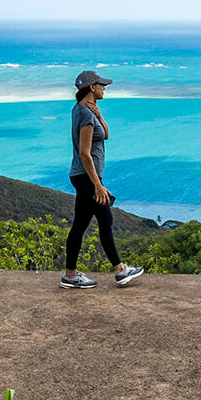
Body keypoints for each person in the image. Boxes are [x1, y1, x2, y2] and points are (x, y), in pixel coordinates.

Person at [60, 70, 145, 289]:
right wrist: (98, 185)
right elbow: (84, 153)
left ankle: (70, 275)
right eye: (101, 85)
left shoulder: (82, 111)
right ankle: (119, 270)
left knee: (80, 226)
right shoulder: (85, 115)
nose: (104, 87)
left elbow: (106, 134)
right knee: (105, 221)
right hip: (88, 177)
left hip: (83, 176)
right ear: (91, 87)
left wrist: (99, 115)